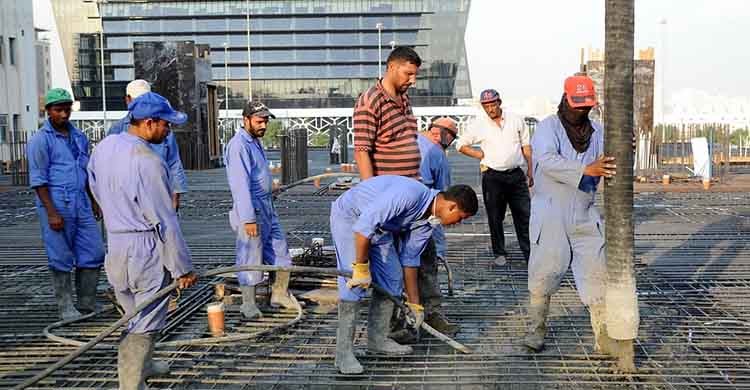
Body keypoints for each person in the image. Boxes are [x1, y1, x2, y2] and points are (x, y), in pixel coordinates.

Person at [88, 91, 198, 389]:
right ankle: (131, 384)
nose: (168, 131)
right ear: (149, 123)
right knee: (145, 321)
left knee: (131, 313)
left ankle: (145, 366)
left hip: (116, 244)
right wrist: (182, 269)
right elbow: (165, 220)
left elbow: (95, 189)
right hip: (144, 248)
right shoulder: (148, 162)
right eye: (166, 125)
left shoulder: (105, 147)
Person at [523, 75, 632, 368]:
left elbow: (610, 162)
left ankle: (603, 337)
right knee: (545, 271)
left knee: (596, 274)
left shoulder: (598, 131)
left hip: (585, 212)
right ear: (565, 100)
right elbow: (545, 160)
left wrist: (624, 148)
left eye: (587, 106)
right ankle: (536, 331)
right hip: (551, 213)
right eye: (577, 105)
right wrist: (586, 169)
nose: (582, 111)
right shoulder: (549, 127)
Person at [332, 176, 478, 374]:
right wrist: (360, 267)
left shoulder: (428, 222)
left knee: (392, 279)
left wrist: (415, 305)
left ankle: (378, 340)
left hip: (380, 230)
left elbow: (410, 259)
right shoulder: (409, 194)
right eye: (460, 218)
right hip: (351, 218)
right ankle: (344, 354)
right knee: (354, 284)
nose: (457, 223)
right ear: (451, 206)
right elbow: (363, 228)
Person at [27, 88, 105, 321]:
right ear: (48, 111)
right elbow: (38, 180)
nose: (64, 114)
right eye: (59, 110)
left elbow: (87, 171)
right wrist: (51, 212)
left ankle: (87, 301)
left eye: (67, 109)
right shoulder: (40, 141)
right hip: (56, 201)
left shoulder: (79, 137)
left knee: (94, 250)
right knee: (60, 255)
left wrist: (94, 201)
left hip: (81, 200)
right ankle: (65, 307)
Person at [224, 100, 298, 320]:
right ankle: (248, 304)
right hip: (251, 210)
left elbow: (257, 176)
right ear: (245, 120)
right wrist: (248, 219)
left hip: (266, 206)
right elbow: (239, 185)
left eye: (265, 121)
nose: (263, 125)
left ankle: (279, 295)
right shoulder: (238, 146)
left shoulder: (255, 142)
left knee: (280, 250)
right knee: (250, 256)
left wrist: (271, 188)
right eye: (259, 121)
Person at [456, 89, 532, 266]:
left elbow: (526, 145)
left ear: (499, 103)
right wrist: (479, 155)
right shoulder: (479, 124)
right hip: (493, 177)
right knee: (495, 216)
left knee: (524, 215)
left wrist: (530, 170)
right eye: (486, 106)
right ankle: (499, 252)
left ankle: (529, 254)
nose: (490, 109)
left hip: (516, 175)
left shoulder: (516, 120)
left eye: (492, 105)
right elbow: (461, 145)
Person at [403, 117, 460, 337]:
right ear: (444, 135)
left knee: (394, 270)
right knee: (427, 266)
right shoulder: (437, 153)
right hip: (423, 219)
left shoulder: (403, 142)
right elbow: (444, 201)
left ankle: (400, 322)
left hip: (393, 217)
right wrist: (440, 245)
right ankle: (432, 316)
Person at [107, 79, 187, 211]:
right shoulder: (116, 131)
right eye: (138, 101)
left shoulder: (164, 131)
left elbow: (174, 162)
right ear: (128, 100)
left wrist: (175, 196)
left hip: (159, 196)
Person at [353, 46, 422, 179]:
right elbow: (361, 152)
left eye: (415, 75)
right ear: (391, 67)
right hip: (387, 190)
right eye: (408, 74)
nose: (413, 81)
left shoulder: (404, 97)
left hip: (411, 185)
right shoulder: (370, 101)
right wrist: (372, 192)